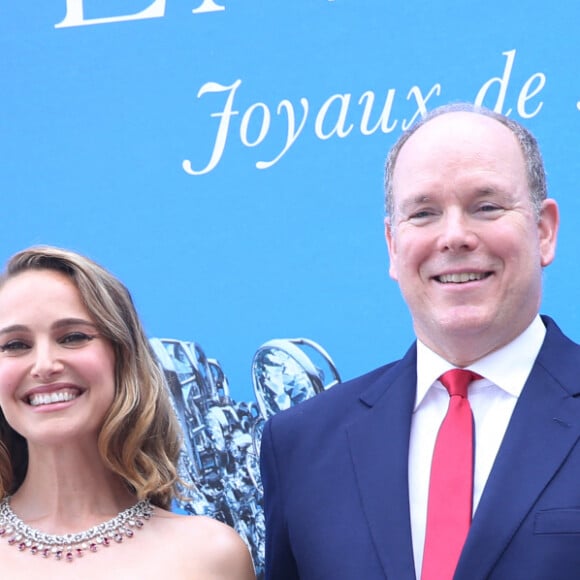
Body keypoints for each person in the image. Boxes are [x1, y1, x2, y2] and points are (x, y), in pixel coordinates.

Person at [259, 102, 580, 579]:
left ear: (544, 231)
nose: (454, 236)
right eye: (424, 212)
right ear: (392, 245)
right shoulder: (302, 445)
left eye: (486, 206)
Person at [0, 246, 256, 579]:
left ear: (122, 358)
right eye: (15, 345)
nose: (45, 365)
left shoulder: (210, 554)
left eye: (73, 337)